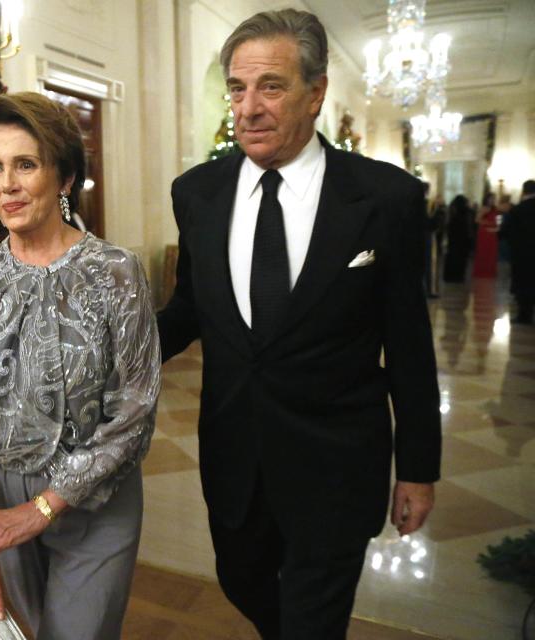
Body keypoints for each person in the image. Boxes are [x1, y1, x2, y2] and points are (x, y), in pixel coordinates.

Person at [156, 10, 441, 639]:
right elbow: (189, 310)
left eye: (271, 87)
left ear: (315, 94)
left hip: (336, 466)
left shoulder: (385, 198)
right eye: (237, 88)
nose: (248, 108)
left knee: (315, 619)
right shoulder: (197, 193)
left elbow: (409, 344)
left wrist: (418, 467)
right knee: (241, 580)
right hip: (235, 457)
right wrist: (110, 350)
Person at [0, 92, 160, 639]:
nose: (6, 184)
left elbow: (134, 411)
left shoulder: (115, 272)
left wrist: (41, 510)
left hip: (95, 500)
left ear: (65, 177)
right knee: (20, 631)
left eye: (25, 165)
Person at [501, 180, 535, 324]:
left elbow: (504, 232)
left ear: (524, 191)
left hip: (522, 254)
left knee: (523, 283)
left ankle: (524, 315)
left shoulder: (517, 210)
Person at [443, 194, 472, 283]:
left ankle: (450, 276)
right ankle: (458, 277)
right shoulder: (464, 214)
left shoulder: (452, 213)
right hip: (461, 242)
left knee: (452, 258)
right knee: (460, 260)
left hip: (453, 242)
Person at [472, 192, 499, 279]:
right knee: (483, 252)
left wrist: (496, 228)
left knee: (492, 253)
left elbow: (499, 221)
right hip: (484, 233)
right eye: (491, 198)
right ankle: (482, 272)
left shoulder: (496, 209)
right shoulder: (483, 208)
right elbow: (477, 220)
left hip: (493, 233)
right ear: (486, 199)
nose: (492, 200)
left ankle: (490, 272)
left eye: (494, 199)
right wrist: (488, 223)